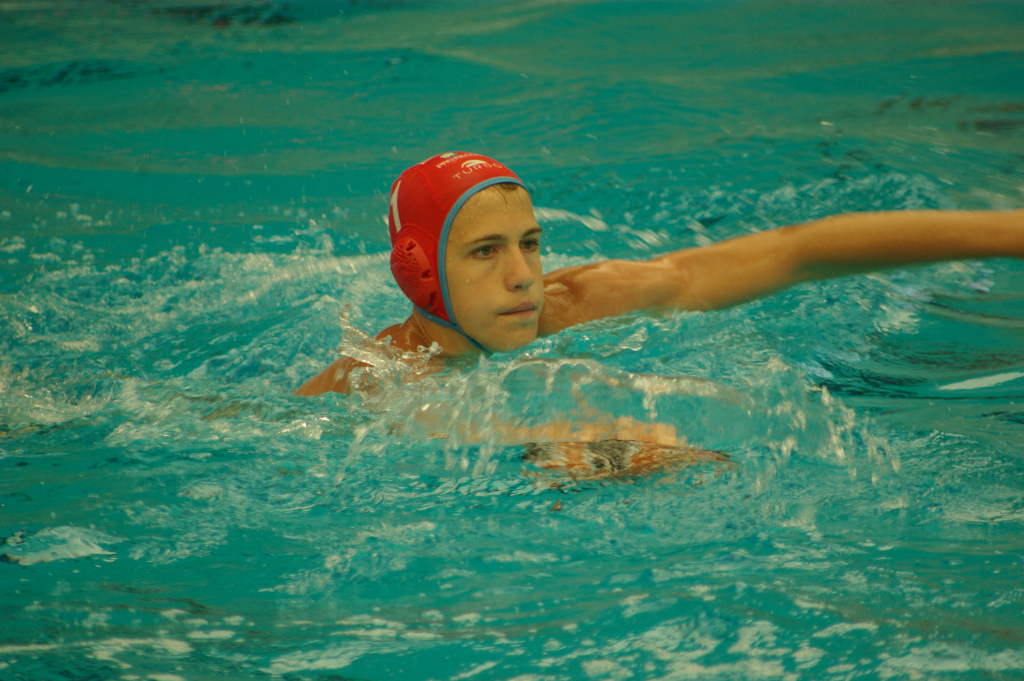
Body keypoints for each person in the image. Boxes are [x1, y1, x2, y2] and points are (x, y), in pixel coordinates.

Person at [295, 151, 1023, 476]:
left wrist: (1008, 232)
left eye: (531, 244)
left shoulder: (578, 304)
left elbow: (796, 253)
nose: (523, 276)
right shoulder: (377, 378)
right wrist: (604, 451)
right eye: (485, 252)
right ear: (419, 272)